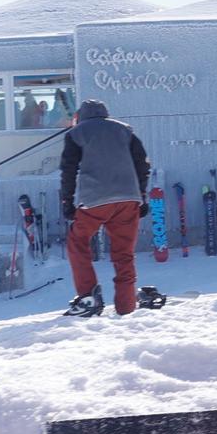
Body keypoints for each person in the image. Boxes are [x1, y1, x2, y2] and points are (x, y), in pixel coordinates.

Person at [59, 99, 152, 315]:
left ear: (80, 117)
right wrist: (142, 197)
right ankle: (127, 306)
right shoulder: (125, 131)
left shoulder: (76, 133)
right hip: (128, 199)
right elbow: (143, 165)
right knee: (124, 255)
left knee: (78, 242)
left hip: (94, 201)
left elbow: (69, 171)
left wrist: (67, 202)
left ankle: (88, 297)